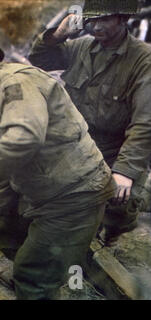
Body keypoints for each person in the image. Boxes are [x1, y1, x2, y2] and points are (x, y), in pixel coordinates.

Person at [0, 17, 116, 300]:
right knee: (1, 226)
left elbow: (24, 139)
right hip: (49, 192)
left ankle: (42, 271)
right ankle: (53, 259)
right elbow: (8, 166)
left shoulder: (13, 83)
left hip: (75, 195)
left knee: (31, 276)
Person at [29, 0, 151, 245]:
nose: (95, 26)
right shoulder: (83, 47)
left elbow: (145, 123)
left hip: (115, 152)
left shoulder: (143, 60)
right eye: (92, 19)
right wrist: (57, 35)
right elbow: (40, 58)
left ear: (122, 18)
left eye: (104, 19)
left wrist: (124, 172)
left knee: (119, 206)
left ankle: (115, 231)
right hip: (76, 145)